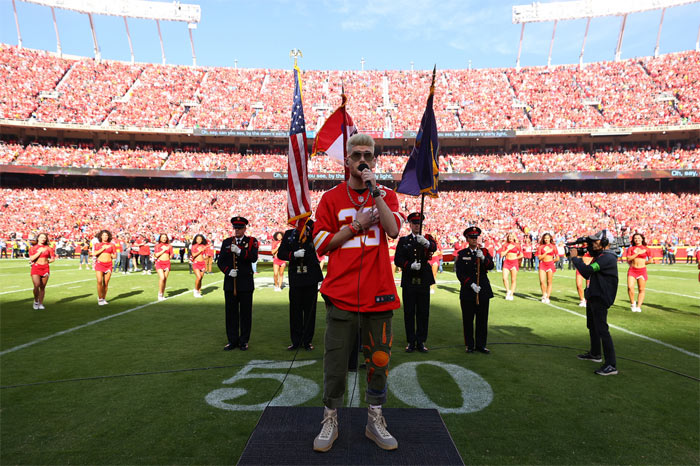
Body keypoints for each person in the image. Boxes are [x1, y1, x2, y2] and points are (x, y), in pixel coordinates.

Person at [312, 133, 401, 453]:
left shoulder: (386, 195)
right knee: (335, 362)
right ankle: (330, 417)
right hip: (342, 293)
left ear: (374, 161)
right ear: (346, 160)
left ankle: (374, 419)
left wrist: (375, 190)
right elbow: (320, 244)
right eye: (357, 154)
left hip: (378, 293)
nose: (363, 159)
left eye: (369, 155)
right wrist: (356, 226)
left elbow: (392, 230)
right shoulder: (331, 198)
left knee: (379, 360)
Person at [570, 231, 619, 376]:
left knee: (602, 329)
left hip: (601, 296)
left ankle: (611, 364)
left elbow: (587, 271)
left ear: (604, 242)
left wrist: (575, 258)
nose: (592, 244)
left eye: (595, 241)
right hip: (594, 294)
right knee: (592, 326)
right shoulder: (601, 256)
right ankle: (595, 353)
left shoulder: (607, 258)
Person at [394, 212, 437, 353]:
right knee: (409, 311)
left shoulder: (426, 239)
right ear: (410, 225)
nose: (417, 225)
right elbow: (397, 259)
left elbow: (433, 247)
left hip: (423, 279)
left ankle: (421, 341)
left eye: (419, 223)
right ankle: (411, 341)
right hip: (409, 280)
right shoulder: (404, 241)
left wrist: (426, 243)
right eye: (414, 223)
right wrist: (408, 265)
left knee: (423, 312)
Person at [277, 220, 323, 351]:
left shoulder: (312, 233)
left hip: (310, 277)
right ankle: (296, 341)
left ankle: (307, 341)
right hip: (296, 277)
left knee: (310, 311)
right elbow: (281, 253)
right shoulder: (289, 234)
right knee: (295, 310)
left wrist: (310, 228)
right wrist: (293, 255)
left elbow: (320, 242)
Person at [217, 216, 258, 351]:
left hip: (245, 283)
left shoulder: (252, 241)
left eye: (240, 228)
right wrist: (228, 271)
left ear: (245, 228)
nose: (237, 230)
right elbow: (221, 261)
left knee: (245, 314)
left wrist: (240, 252)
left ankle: (244, 341)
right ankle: (232, 340)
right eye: (235, 228)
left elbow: (253, 258)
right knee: (231, 313)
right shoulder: (227, 242)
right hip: (230, 283)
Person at [456, 226, 495, 354]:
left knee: (482, 320)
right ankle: (470, 345)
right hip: (468, 291)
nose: (474, 239)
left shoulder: (483, 251)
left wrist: (483, 258)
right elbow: (460, 274)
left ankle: (481, 345)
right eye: (471, 237)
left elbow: (491, 266)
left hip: (483, 290)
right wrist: (471, 284)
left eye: (475, 237)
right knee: (468, 320)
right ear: (467, 239)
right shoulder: (462, 254)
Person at [28, 233, 55, 310]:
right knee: (36, 285)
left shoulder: (49, 248)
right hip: (36, 267)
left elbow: (53, 258)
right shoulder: (33, 248)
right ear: (38, 238)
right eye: (41, 237)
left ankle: (41, 303)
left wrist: (47, 262)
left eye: (44, 238)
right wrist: (39, 252)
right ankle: (36, 301)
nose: (43, 239)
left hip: (45, 268)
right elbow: (31, 258)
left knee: (42, 287)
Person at [626, 233, 651, 313]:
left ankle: (639, 306)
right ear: (633, 240)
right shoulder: (631, 248)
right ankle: (633, 303)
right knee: (630, 287)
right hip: (632, 270)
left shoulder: (647, 249)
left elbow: (650, 260)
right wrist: (638, 253)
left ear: (642, 239)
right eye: (635, 238)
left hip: (642, 270)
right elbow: (628, 258)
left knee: (641, 289)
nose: (637, 240)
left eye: (639, 238)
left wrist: (647, 262)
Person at [93, 230, 116, 306]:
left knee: (106, 283)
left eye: (106, 235)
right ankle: (100, 299)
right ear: (100, 236)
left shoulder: (112, 245)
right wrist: (103, 248)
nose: (105, 237)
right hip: (100, 264)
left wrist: (113, 255)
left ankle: (103, 298)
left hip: (109, 264)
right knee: (99, 281)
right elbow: (95, 253)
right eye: (103, 235)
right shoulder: (97, 244)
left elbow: (114, 255)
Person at [500, 232, 523, 300]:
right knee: (504, 278)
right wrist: (508, 249)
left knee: (513, 279)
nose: (510, 238)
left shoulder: (517, 245)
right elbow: (502, 254)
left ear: (514, 237)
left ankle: (511, 294)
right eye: (509, 236)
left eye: (511, 236)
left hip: (514, 263)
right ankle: (508, 291)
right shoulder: (505, 245)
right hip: (507, 262)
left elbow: (521, 255)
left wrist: (516, 258)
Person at [537, 233, 559, 304]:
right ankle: (544, 294)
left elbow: (557, 258)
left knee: (549, 281)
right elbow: (539, 257)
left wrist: (552, 262)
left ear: (550, 239)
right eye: (545, 238)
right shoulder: (541, 247)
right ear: (543, 239)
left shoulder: (553, 247)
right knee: (542, 281)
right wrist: (546, 252)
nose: (546, 239)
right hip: (542, 264)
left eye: (548, 238)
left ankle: (547, 297)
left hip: (550, 264)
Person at [153, 233, 173, 301]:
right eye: (162, 237)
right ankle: (160, 293)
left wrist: (169, 257)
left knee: (165, 280)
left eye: (165, 237)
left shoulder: (169, 246)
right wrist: (163, 250)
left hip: (167, 263)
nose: (164, 238)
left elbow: (171, 254)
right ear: (160, 238)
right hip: (159, 263)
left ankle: (162, 294)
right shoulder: (157, 246)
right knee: (162, 277)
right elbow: (156, 255)